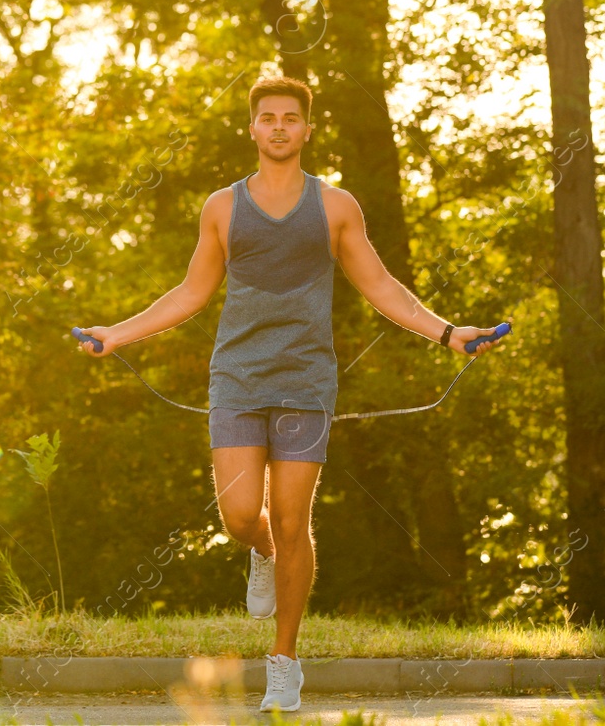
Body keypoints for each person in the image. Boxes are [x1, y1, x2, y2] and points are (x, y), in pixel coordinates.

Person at [75, 75, 503, 713]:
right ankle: (264, 553)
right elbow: (192, 293)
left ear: (306, 129)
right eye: (267, 118)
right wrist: (119, 334)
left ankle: (284, 661)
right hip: (236, 379)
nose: (278, 127)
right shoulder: (223, 207)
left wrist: (447, 333)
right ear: (252, 129)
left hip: (306, 380)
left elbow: (381, 286)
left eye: (290, 118)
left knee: (294, 518)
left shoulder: (335, 207)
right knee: (242, 515)